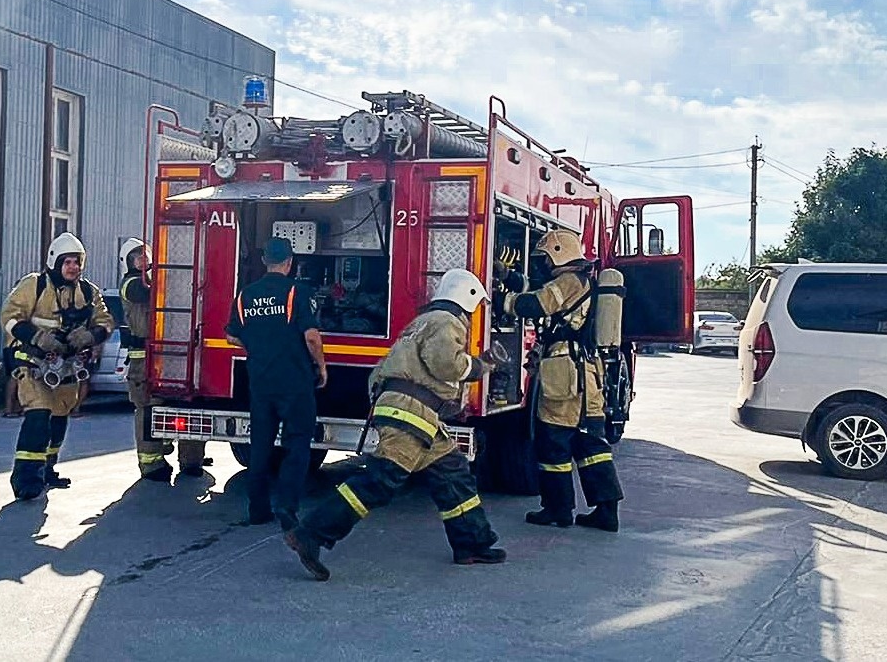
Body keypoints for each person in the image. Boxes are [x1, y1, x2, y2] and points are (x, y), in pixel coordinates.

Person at [284, 269, 506, 581]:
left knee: (453, 473)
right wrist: (480, 365)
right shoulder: (446, 321)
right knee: (381, 480)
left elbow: (384, 371)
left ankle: (472, 544)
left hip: (415, 413)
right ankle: (310, 533)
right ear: (467, 298)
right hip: (411, 414)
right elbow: (447, 364)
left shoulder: (420, 323)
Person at [505, 229, 623, 532]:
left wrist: (505, 300)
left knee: (554, 444)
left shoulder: (568, 282)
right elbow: (539, 288)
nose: (542, 264)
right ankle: (606, 511)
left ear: (558, 253)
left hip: (566, 377)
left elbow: (536, 303)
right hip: (587, 377)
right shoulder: (582, 282)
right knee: (590, 446)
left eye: (544, 258)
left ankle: (557, 509)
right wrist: (507, 275)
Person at [2, 232, 114, 500]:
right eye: (67, 262)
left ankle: (47, 470)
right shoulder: (34, 285)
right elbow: (9, 316)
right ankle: (26, 480)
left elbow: (106, 321)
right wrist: (38, 337)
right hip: (32, 363)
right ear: (55, 262)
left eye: (77, 262)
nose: (73, 267)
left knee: (59, 417)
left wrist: (91, 336)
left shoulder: (88, 292)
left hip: (66, 366)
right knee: (39, 416)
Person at [225, 237, 326, 529]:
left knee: (260, 447)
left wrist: (256, 347)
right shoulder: (297, 292)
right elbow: (311, 336)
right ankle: (287, 508)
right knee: (297, 446)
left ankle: (258, 510)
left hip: (260, 382)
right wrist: (321, 367)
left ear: (264, 260)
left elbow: (231, 335)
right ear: (290, 262)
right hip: (295, 383)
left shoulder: (245, 295)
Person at [120, 237, 206, 482]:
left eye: (145, 255)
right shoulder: (130, 284)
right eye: (137, 257)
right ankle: (151, 464)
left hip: (173, 352)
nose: (143, 260)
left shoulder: (156, 278)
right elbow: (146, 290)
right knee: (148, 407)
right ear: (127, 262)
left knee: (190, 405)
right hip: (144, 361)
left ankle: (191, 461)